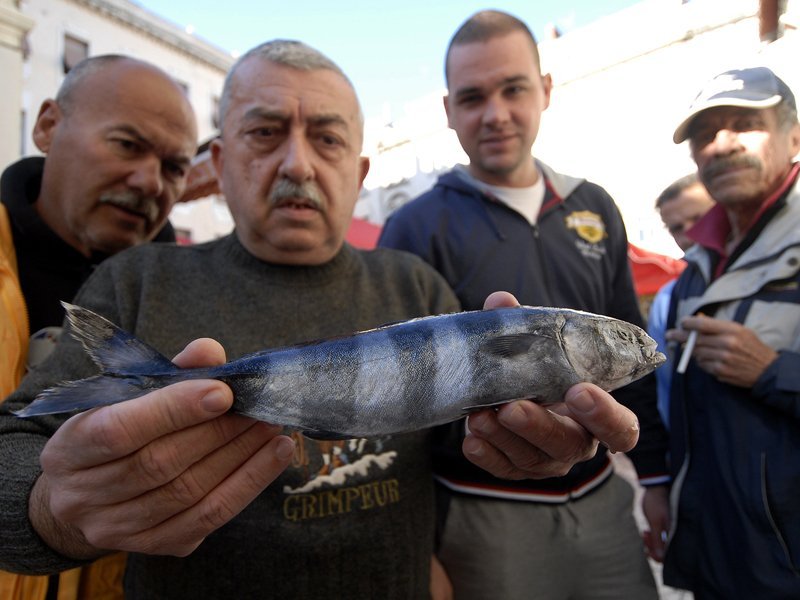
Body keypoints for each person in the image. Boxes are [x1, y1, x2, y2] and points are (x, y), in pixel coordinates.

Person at [0, 40, 644, 599]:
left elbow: (457, 441)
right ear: (218, 164)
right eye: (264, 132)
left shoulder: (413, 282)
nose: (298, 164)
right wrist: (53, 510)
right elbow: (16, 444)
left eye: (328, 138)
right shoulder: (138, 278)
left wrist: (531, 443)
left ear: (358, 171)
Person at [378, 10, 667, 600]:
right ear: (449, 111)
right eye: (473, 96)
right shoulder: (412, 225)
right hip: (481, 516)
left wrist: (657, 478)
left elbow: (632, 347)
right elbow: (394, 386)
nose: (496, 114)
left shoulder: (596, 206)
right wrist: (414, 543)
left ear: (545, 90)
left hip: (605, 499)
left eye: (513, 89)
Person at [0, 55, 197, 600]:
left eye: (175, 167)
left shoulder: (188, 306)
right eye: (127, 145)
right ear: (47, 126)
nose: (149, 182)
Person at [642, 66, 800, 597]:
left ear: (794, 136)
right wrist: (662, 487)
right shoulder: (697, 268)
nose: (721, 144)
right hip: (719, 556)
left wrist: (774, 371)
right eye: (705, 135)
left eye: (743, 124)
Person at [646, 174, 714, 426]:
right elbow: (665, 389)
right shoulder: (667, 299)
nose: (690, 235)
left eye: (699, 219)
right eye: (677, 228)